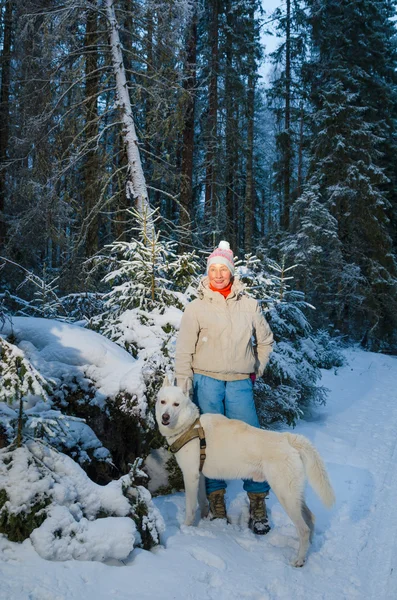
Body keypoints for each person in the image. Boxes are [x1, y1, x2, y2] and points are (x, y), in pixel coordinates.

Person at [175, 240, 274, 534]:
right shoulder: (196, 308)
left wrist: (256, 368)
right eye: (213, 269)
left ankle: (257, 500)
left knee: (252, 443)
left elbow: (265, 341)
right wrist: (184, 388)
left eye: (223, 269)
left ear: (232, 272)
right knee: (209, 444)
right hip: (206, 382)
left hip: (240, 384)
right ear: (207, 272)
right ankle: (216, 499)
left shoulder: (249, 305)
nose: (218, 275)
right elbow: (184, 352)